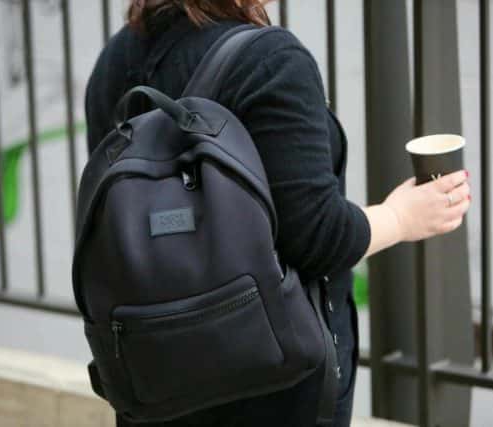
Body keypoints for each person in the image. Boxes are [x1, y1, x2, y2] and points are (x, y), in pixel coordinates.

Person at [84, 1, 472, 426]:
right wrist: (402, 217)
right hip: (268, 386)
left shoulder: (118, 58)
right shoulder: (270, 61)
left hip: (154, 376)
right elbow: (317, 237)